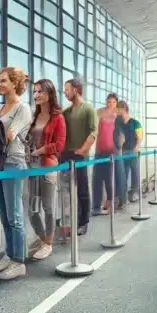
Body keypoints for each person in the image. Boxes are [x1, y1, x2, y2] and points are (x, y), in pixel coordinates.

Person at [0, 66, 33, 280]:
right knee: (4, 214)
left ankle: (19, 262)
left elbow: (9, 135)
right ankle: (9, 254)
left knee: (14, 215)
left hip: (13, 164)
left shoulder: (23, 109)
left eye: (3, 80)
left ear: (15, 84)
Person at [25, 79, 66, 260]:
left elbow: (60, 144)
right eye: (34, 91)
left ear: (49, 94)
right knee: (32, 209)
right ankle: (43, 239)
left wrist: (41, 150)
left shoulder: (58, 118)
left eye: (40, 91)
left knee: (48, 207)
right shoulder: (34, 117)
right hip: (31, 167)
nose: (36, 95)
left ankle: (48, 243)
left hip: (48, 166)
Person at [60, 77, 97, 239]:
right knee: (66, 190)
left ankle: (83, 222)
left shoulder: (88, 109)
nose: (65, 92)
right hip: (65, 155)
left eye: (67, 89)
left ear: (76, 89)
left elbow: (93, 132)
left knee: (82, 189)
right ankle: (67, 222)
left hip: (80, 155)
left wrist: (83, 150)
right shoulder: (66, 112)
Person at [92, 93, 121, 214]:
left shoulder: (118, 115)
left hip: (112, 152)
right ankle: (96, 206)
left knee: (110, 179)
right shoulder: (99, 112)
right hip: (99, 150)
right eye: (109, 101)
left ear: (116, 103)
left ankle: (110, 203)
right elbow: (92, 128)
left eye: (113, 102)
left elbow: (121, 133)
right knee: (97, 179)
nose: (110, 104)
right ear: (106, 101)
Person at [113, 100, 143, 202]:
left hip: (133, 151)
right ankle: (123, 197)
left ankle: (134, 193)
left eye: (118, 110)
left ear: (124, 109)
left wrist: (137, 147)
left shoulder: (135, 123)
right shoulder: (119, 124)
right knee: (123, 175)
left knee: (135, 173)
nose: (116, 112)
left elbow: (140, 136)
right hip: (122, 152)